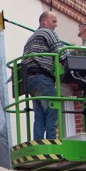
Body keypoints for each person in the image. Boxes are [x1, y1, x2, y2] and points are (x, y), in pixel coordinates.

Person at [20, 11, 66, 140]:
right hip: (42, 78)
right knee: (52, 112)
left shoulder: (30, 39)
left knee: (39, 116)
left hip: (30, 80)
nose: (56, 25)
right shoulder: (47, 32)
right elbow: (62, 53)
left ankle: (38, 143)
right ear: (44, 22)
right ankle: (52, 143)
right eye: (54, 21)